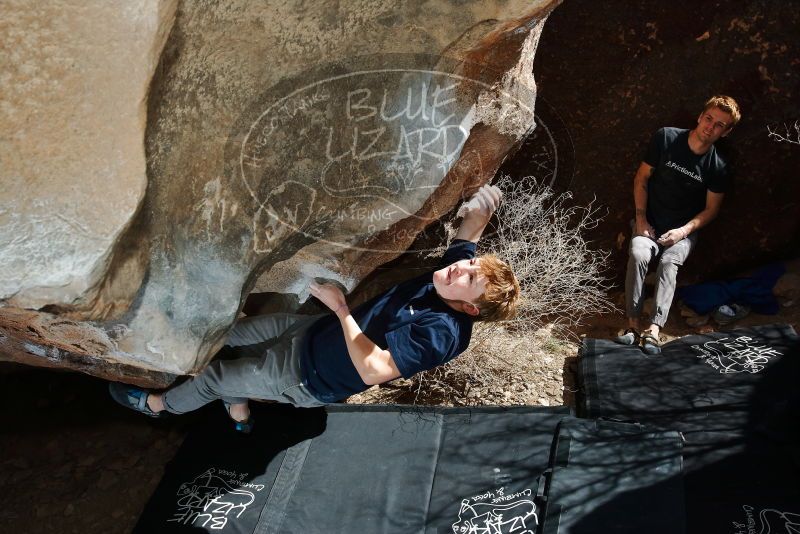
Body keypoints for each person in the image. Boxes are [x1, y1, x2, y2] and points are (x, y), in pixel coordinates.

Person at [110, 184, 520, 431]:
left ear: (470, 309)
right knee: (228, 334)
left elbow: (375, 370)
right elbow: (469, 235)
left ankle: (158, 407)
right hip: (310, 333)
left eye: (470, 279)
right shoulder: (449, 277)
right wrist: (486, 203)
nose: (460, 269)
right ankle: (239, 409)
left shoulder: (443, 333)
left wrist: (341, 310)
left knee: (215, 376)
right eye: (470, 266)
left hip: (308, 376)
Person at [617, 95, 741, 354]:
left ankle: (654, 330)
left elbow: (711, 210)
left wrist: (683, 231)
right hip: (649, 221)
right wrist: (641, 219)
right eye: (709, 119)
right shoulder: (666, 138)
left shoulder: (718, 166)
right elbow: (641, 179)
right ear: (700, 117)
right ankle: (632, 325)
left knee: (668, 262)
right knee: (639, 253)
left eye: (719, 125)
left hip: (683, 232)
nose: (710, 127)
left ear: (726, 132)